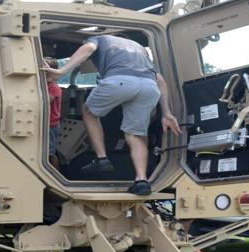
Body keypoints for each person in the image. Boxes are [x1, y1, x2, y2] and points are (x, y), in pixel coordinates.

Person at [41, 34, 182, 196]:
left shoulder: (99, 39)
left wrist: (61, 71)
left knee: (88, 111)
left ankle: (101, 159)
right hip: (149, 87)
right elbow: (161, 81)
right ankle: (142, 181)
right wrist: (167, 113)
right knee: (136, 134)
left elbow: (88, 49)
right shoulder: (138, 48)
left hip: (119, 81)